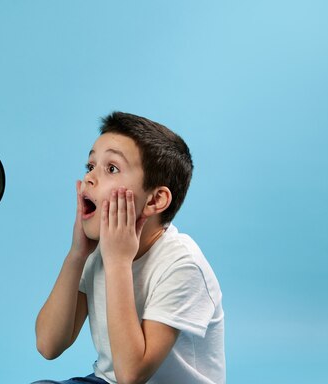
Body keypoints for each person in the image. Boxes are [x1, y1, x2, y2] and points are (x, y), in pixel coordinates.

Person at [32, 112, 225, 384]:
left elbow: (131, 375)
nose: (89, 178)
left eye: (111, 169)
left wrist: (118, 263)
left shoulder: (183, 265)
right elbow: (48, 344)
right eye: (90, 166)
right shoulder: (98, 251)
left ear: (155, 200)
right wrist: (77, 255)